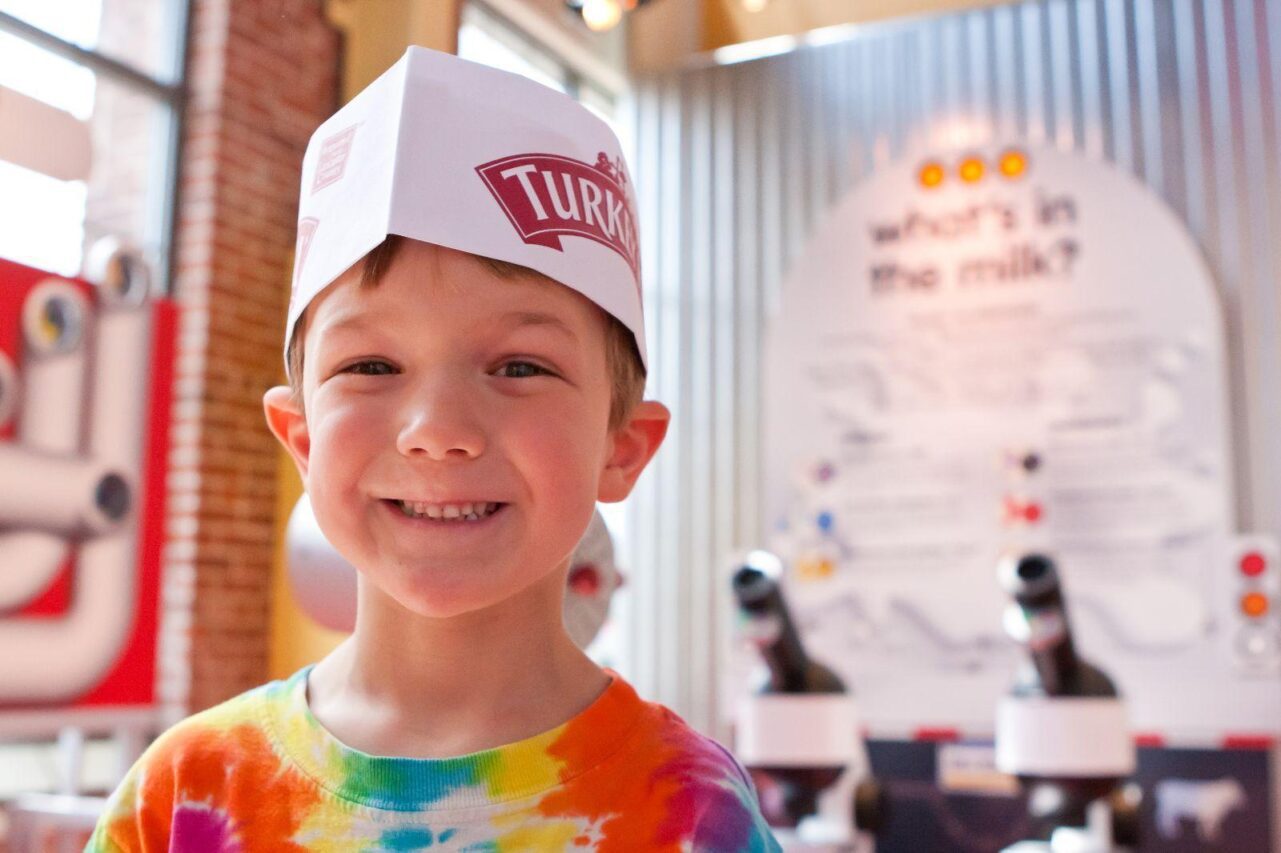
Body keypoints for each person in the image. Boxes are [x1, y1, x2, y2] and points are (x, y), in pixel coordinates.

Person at [86, 47, 781, 852]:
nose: (436, 427)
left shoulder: (692, 814)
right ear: (301, 440)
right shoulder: (186, 795)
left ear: (621, 446)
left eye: (520, 365)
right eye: (370, 365)